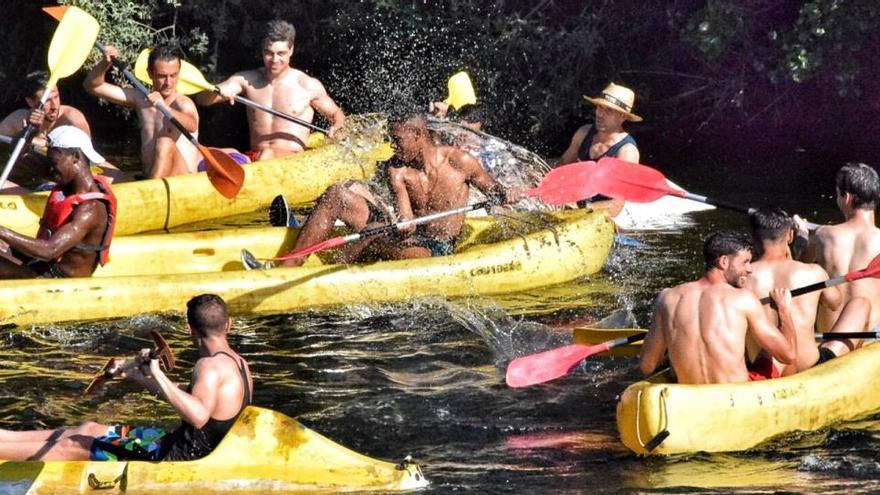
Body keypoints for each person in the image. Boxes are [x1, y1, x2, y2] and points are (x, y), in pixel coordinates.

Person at [0, 293, 253, 462]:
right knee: (89, 429)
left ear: (190, 330)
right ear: (228, 324)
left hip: (180, 458)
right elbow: (194, 398)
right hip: (179, 443)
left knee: (75, 445)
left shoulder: (208, 366)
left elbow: (198, 416)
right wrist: (137, 374)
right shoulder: (238, 363)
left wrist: (157, 373)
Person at [248, 114, 518, 268]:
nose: (393, 147)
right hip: (411, 237)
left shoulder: (461, 162)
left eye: (398, 140)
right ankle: (290, 266)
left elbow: (494, 190)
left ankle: (331, 272)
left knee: (369, 233)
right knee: (336, 195)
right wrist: (403, 223)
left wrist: (506, 194)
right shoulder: (396, 169)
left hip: (435, 251)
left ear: (418, 137)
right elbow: (406, 218)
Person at [640, 231, 797, 384]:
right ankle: (792, 395)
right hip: (733, 395)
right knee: (771, 354)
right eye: (745, 262)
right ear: (723, 262)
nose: (750, 269)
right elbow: (788, 355)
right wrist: (783, 309)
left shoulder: (667, 297)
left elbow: (647, 365)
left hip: (689, 396)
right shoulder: (743, 298)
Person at [198, 20, 345, 161]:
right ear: (262, 51)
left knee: (267, 154)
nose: (274, 59)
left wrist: (336, 127)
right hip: (256, 156)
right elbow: (202, 100)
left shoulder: (306, 85)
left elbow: (336, 114)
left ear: (291, 50)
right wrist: (216, 91)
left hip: (291, 159)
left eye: (281, 53)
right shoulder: (246, 80)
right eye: (269, 53)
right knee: (224, 154)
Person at [0, 126, 116, 279]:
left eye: (52, 161)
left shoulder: (90, 208)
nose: (49, 168)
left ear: (75, 156)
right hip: (41, 264)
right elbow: (19, 153)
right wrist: (31, 129)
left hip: (55, 279)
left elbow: (50, 250)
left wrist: (2, 231)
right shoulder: (65, 176)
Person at [744, 208, 842, 376]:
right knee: (859, 305)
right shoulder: (813, 272)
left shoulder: (740, 279)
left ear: (753, 238)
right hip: (810, 367)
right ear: (790, 236)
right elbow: (835, 303)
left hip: (765, 369)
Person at [84, 45, 202, 179]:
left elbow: (192, 125)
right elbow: (93, 86)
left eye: (173, 75)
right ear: (150, 73)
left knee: (165, 142)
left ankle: (150, 188)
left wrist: (165, 107)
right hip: (150, 175)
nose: (168, 82)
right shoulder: (140, 99)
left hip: (181, 178)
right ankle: (148, 185)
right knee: (99, 173)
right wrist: (105, 63)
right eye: (162, 76)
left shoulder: (183, 103)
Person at [802, 163, 880, 360]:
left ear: (846, 197)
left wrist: (802, 239)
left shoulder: (822, 236)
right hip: (868, 343)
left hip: (825, 341)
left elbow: (800, 271)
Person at [0, 71, 123, 191]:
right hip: (39, 179)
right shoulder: (17, 119)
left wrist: (35, 142)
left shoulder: (72, 118)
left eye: (56, 97)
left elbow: (82, 161)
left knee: (118, 175)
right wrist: (28, 131)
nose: (54, 106)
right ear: (30, 102)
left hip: (70, 180)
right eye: (47, 100)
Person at [558, 82, 642, 216]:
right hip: (571, 202)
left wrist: (581, 207)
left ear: (623, 116)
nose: (600, 114)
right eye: (599, 107)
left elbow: (616, 206)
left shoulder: (626, 153)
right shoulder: (583, 133)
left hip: (596, 214)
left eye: (608, 110)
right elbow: (561, 165)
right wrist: (532, 183)